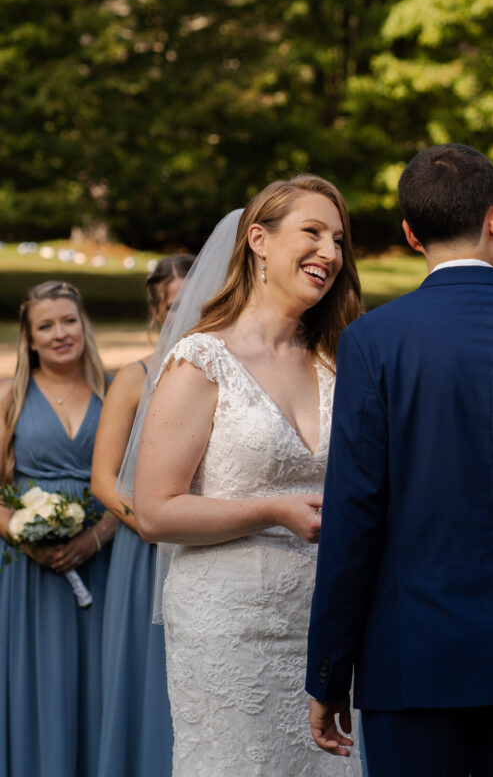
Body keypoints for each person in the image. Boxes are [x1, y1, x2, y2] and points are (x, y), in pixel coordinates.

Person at [305, 143, 493, 777]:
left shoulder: (372, 342)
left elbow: (353, 521)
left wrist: (330, 671)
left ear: (410, 232)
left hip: (411, 657)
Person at [131, 175, 363, 777]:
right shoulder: (202, 360)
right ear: (258, 240)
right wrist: (271, 509)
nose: (331, 253)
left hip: (328, 631)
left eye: (338, 239)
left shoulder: (337, 361)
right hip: (229, 630)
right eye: (311, 232)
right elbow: (154, 511)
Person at [0, 280, 117, 777]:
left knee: (98, 681)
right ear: (29, 339)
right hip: (29, 574)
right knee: (36, 681)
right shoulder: (11, 400)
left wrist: (94, 538)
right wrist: (23, 536)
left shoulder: (115, 393)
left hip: (103, 564)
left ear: (83, 326)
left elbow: (135, 485)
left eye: (68, 321)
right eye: (45, 326)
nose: (59, 333)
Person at [92, 254, 194, 777]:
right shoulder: (134, 379)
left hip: (206, 546)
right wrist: (158, 521)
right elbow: (104, 481)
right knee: (147, 678)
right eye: (175, 306)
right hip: (144, 551)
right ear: (157, 313)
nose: (186, 314)